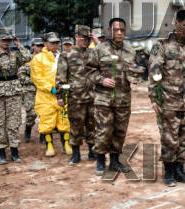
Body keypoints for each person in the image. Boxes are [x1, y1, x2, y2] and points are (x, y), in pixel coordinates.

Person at [148, 9, 185, 187]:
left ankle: (180, 169)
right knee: (169, 138)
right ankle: (169, 172)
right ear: (176, 23)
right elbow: (154, 74)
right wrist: (154, 99)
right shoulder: (162, 45)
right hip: (168, 101)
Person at [86, 18, 143, 176]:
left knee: (119, 132)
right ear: (109, 30)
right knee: (103, 131)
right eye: (116, 29)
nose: (119, 33)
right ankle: (100, 161)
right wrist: (101, 80)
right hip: (104, 99)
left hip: (123, 99)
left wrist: (136, 77)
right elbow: (88, 70)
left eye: (122, 30)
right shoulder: (99, 49)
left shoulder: (131, 50)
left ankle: (115, 161)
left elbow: (135, 69)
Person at [0, 27, 32, 164]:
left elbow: (28, 57)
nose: (6, 42)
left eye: (9, 40)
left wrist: (18, 44)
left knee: (14, 122)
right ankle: (1, 152)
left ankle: (14, 151)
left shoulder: (14, 54)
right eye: (4, 40)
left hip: (13, 92)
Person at [56, 25, 97, 165]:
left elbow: (109, 58)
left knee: (93, 125)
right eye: (83, 38)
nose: (85, 41)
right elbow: (60, 77)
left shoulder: (93, 53)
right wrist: (59, 96)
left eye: (87, 39)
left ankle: (92, 152)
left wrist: (96, 41)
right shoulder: (66, 55)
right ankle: (76, 154)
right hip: (76, 97)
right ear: (76, 37)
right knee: (76, 126)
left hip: (92, 96)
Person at [30, 32, 71, 157]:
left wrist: (67, 87)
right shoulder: (38, 59)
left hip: (63, 94)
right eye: (52, 42)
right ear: (45, 43)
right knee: (47, 121)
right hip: (46, 95)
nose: (55, 45)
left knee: (64, 120)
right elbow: (37, 78)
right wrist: (51, 89)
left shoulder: (64, 56)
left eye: (57, 42)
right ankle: (49, 145)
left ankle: (66, 144)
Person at [18, 37, 43, 142]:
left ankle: (43, 134)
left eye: (42, 46)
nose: (40, 48)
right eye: (38, 46)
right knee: (31, 113)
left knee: (44, 112)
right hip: (30, 90)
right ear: (33, 46)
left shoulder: (47, 59)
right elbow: (21, 75)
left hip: (43, 90)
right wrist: (33, 80)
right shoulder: (28, 59)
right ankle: (28, 129)